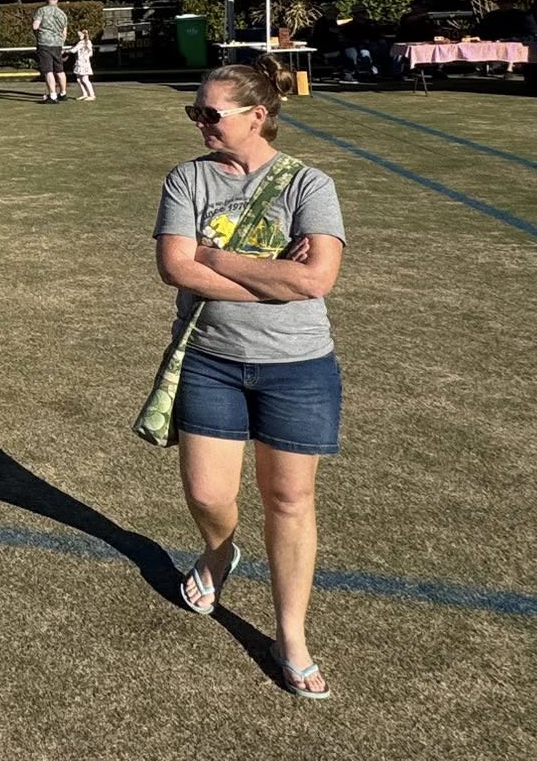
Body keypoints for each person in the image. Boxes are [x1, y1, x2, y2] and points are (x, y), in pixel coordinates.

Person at [154, 57, 346, 700]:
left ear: (258, 116)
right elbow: (176, 269)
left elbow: (316, 281)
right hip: (210, 359)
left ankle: (290, 635)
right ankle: (218, 554)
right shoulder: (187, 181)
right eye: (196, 113)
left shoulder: (308, 185)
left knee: (289, 500)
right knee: (209, 495)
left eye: (211, 114)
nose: (200, 123)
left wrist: (216, 255)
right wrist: (268, 277)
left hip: (298, 368)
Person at [33, 0, 71, 102]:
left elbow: (35, 26)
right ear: (57, 0)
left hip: (45, 43)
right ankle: (63, 93)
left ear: (47, 0)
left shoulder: (42, 10)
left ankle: (53, 95)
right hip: (58, 43)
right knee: (60, 70)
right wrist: (61, 43)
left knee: (48, 70)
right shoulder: (62, 14)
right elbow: (64, 32)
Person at [70, 30, 98, 100]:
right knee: (79, 79)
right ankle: (84, 94)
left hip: (83, 63)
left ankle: (92, 95)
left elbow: (73, 50)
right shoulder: (86, 42)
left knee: (85, 79)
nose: (79, 37)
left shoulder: (83, 42)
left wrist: (65, 50)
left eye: (80, 35)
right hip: (80, 62)